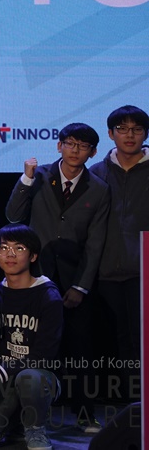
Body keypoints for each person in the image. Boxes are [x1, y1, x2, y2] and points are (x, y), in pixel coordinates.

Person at [5, 122, 109, 433]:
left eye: (83, 146)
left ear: (93, 152)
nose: (75, 150)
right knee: (29, 344)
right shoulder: (38, 177)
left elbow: (96, 242)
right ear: (59, 145)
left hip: (75, 279)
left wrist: (81, 286)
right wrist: (25, 179)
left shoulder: (99, 188)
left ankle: (84, 413)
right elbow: (13, 215)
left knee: (80, 348)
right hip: (36, 277)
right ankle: (23, 415)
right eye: (70, 143)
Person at [0, 224, 63, 450]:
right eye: (3, 248)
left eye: (19, 248)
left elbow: (44, 356)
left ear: (33, 256)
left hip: (40, 375)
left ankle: (35, 428)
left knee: (29, 378)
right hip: (5, 378)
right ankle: (16, 422)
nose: (10, 254)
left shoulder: (48, 295)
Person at [90, 106, 148, 377]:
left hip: (143, 272)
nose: (130, 135)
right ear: (111, 134)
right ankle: (125, 395)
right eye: (122, 129)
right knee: (114, 340)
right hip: (104, 272)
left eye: (136, 129)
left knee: (141, 338)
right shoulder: (96, 172)